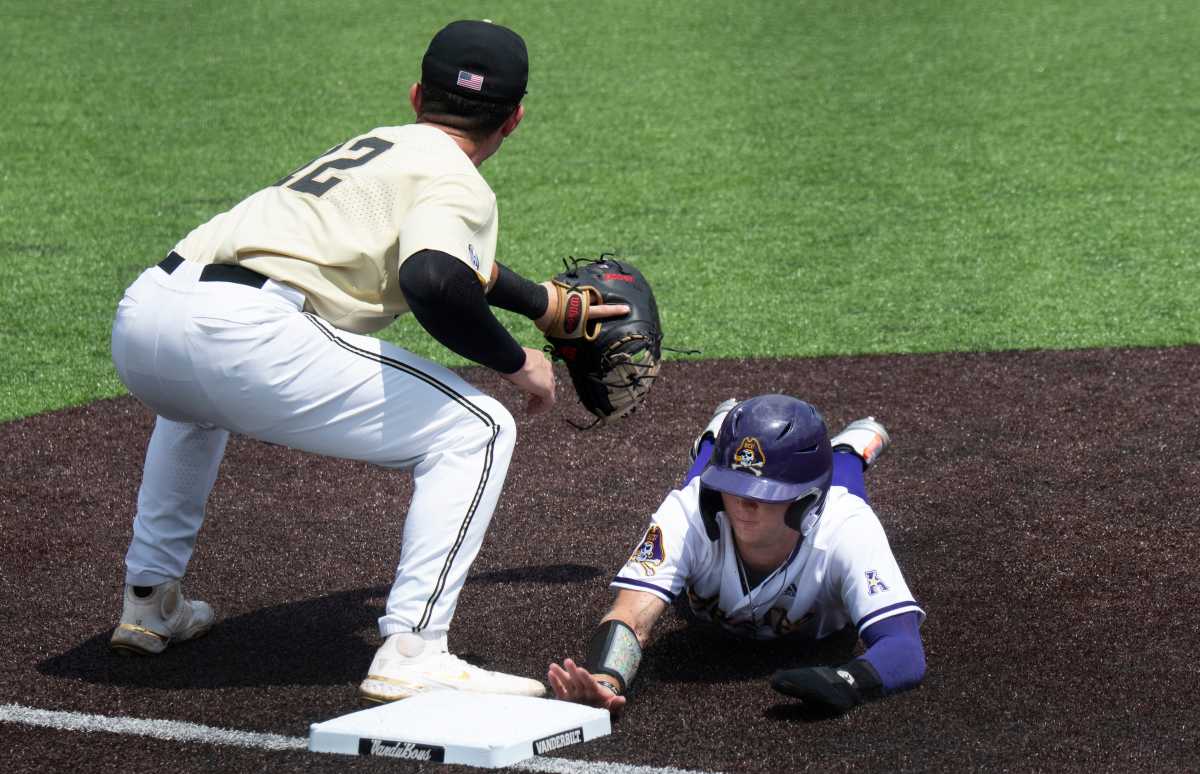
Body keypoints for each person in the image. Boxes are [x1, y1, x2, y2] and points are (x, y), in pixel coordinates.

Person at [108, 19, 628, 704]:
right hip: (246, 333)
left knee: (193, 406)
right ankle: (415, 646)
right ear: (516, 120)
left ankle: (150, 600)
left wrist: (539, 302)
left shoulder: (380, 146)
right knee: (479, 429)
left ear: (417, 96)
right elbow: (435, 279)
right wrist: (514, 360)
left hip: (148, 317)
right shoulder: (460, 182)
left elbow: (439, 257)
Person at [547, 395, 926, 716]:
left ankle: (850, 450)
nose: (743, 504)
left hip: (830, 525)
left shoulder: (847, 528)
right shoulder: (689, 512)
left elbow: (903, 646)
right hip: (712, 512)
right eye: (732, 486)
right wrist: (605, 680)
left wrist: (847, 681)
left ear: (804, 500)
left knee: (843, 479)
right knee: (699, 481)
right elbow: (630, 614)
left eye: (764, 493)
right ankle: (713, 443)